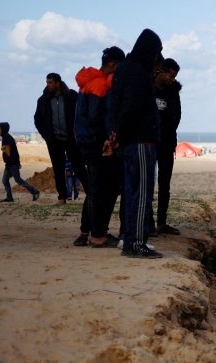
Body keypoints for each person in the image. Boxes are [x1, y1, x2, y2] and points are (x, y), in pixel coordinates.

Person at [109, 28, 164, 258]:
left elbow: (117, 106)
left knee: (133, 192)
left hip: (131, 140)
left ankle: (131, 239)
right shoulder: (137, 72)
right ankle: (136, 243)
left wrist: (116, 135)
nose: (157, 57)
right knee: (141, 193)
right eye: (157, 52)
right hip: (140, 140)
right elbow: (130, 108)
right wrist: (120, 136)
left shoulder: (125, 69)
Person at [75, 45, 126, 248]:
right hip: (97, 145)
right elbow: (96, 117)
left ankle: (87, 232)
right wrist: (108, 140)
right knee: (103, 190)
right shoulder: (99, 85)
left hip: (86, 143)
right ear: (112, 64)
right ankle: (97, 235)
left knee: (96, 189)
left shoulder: (88, 82)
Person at [34, 72, 86, 205]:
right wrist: (46, 135)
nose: (48, 85)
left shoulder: (72, 96)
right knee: (58, 169)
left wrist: (79, 132)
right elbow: (37, 119)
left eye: (50, 82)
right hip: (54, 141)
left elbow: (83, 112)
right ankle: (62, 197)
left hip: (71, 139)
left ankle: (91, 193)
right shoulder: (43, 100)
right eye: (47, 82)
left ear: (58, 83)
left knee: (79, 166)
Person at [153, 58, 182, 236]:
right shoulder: (148, 88)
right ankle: (147, 223)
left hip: (167, 143)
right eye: (170, 76)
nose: (172, 79)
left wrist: (169, 133)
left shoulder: (172, 92)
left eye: (174, 77)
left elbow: (177, 115)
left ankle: (161, 222)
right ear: (161, 72)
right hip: (149, 143)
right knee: (147, 184)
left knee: (165, 185)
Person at [0, 123, 39, 203]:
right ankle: (9, 198)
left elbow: (14, 152)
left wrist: (17, 163)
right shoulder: (5, 138)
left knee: (18, 180)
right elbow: (7, 152)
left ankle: (35, 192)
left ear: (3, 129)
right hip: (9, 164)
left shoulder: (8, 138)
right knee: (5, 180)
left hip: (13, 164)